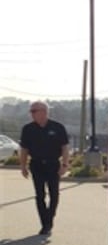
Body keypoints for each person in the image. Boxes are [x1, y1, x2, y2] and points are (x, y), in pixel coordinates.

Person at [19, 101, 70, 235]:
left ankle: (50, 218)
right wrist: (23, 166)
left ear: (44, 112)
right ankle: (45, 224)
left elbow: (64, 147)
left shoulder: (57, 127)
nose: (31, 114)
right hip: (36, 165)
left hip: (53, 164)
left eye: (34, 111)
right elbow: (24, 149)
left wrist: (65, 165)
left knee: (54, 194)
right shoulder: (28, 129)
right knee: (40, 195)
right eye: (31, 111)